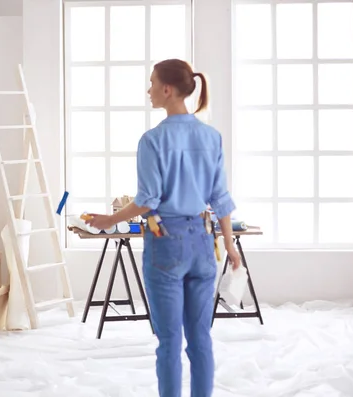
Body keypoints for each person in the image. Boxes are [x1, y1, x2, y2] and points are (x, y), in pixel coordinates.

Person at [85, 58, 241, 397]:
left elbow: (148, 200)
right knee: (200, 338)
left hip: (165, 243)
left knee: (169, 341)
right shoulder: (211, 137)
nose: (149, 90)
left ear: (167, 89)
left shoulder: (152, 140)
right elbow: (221, 198)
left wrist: (108, 220)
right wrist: (229, 245)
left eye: (152, 83)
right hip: (204, 242)